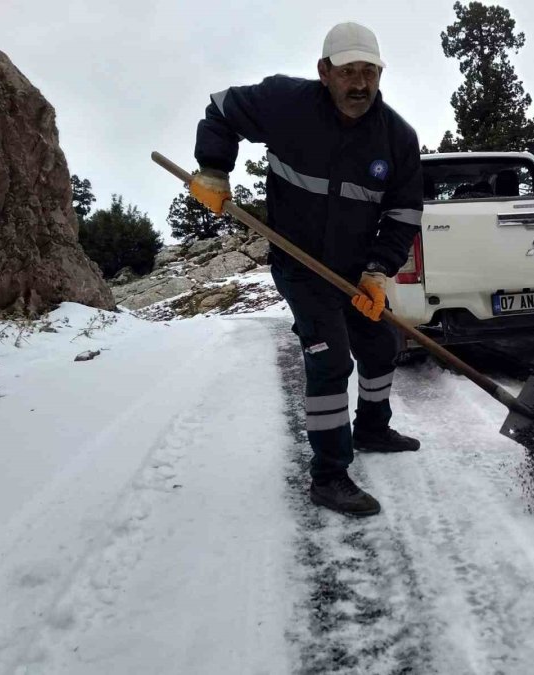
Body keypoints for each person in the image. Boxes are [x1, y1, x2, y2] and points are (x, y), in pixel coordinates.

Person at [188, 22, 423, 516]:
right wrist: (214, 167)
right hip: (301, 265)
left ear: (381, 73)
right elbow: (221, 110)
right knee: (331, 360)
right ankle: (330, 475)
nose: (359, 84)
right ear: (324, 72)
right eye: (347, 72)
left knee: (383, 344)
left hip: (357, 270)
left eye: (369, 72)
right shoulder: (284, 103)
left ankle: (373, 429)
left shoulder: (397, 138)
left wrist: (378, 272)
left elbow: (403, 213)